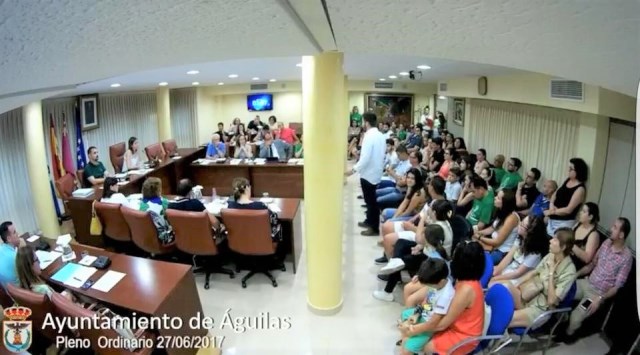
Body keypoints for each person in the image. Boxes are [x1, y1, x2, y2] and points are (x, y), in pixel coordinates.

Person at [559, 217, 633, 343]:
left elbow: (617, 287)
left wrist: (599, 299)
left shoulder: (626, 258)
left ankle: (568, 335)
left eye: (615, 227)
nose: (611, 229)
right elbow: (592, 265)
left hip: (596, 294)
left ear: (621, 234)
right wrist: (575, 275)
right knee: (562, 289)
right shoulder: (606, 244)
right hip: (586, 282)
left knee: (576, 317)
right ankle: (558, 323)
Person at [422, 241, 486, 355]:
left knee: (427, 347)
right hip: (456, 324)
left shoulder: (466, 289)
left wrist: (416, 328)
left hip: (464, 336)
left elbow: (442, 325)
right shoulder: (464, 279)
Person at [507, 228, 576, 328]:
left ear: (563, 247)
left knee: (506, 318)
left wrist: (551, 272)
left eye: (555, 240)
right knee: (505, 288)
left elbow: (551, 301)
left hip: (541, 308)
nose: (550, 241)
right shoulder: (551, 255)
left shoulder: (569, 271)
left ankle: (501, 338)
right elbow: (534, 272)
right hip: (530, 293)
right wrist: (517, 286)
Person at [374, 224, 449, 302]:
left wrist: (419, 275)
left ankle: (387, 292)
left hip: (425, 268)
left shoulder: (435, 257)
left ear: (427, 238)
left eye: (423, 233)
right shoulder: (432, 246)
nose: (421, 234)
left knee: (399, 265)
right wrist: (420, 247)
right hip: (423, 259)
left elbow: (432, 271)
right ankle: (396, 260)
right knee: (401, 242)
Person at [396, 259, 455, 355]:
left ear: (441, 281)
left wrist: (412, 329)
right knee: (405, 314)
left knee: (406, 351)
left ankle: (409, 343)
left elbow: (433, 323)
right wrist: (417, 314)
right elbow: (427, 303)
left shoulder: (446, 296)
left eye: (429, 285)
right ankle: (406, 339)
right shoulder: (436, 284)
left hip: (429, 324)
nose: (428, 286)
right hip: (426, 314)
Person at [346, 113, 386, 236]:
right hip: (376, 171)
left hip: (368, 173)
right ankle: (369, 220)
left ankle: (374, 227)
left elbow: (366, 157)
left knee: (371, 202)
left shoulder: (369, 136)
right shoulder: (380, 135)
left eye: (363, 122)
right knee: (370, 201)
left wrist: (353, 170)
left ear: (366, 122)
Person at [490, 216, 549, 285]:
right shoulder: (520, 239)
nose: (519, 224)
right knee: (488, 271)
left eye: (522, 225)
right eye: (521, 222)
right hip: (510, 268)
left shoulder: (535, 254)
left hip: (517, 279)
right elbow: (508, 257)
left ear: (529, 232)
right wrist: (497, 271)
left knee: (492, 284)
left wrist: (496, 278)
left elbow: (517, 273)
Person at [473, 190, 520, 265]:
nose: (495, 198)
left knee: (478, 262)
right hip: (493, 245)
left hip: (501, 251)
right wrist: (477, 232)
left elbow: (497, 242)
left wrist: (479, 238)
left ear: (504, 203)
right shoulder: (501, 211)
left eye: (498, 198)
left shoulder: (511, 219)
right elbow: (492, 228)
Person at [227, 178, 282, 242]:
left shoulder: (230, 206)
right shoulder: (259, 206)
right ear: (247, 188)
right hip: (260, 242)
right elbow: (274, 220)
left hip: (239, 242)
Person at [546, 158, 588, 236]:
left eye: (570, 169)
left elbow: (568, 210)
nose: (568, 170)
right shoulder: (568, 180)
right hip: (552, 219)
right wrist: (551, 205)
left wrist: (552, 211)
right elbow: (555, 194)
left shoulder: (580, 189)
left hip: (564, 223)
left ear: (578, 171)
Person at [570, 202, 601, 272]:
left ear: (590, 217)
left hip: (576, 266)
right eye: (581, 210)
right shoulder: (578, 224)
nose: (580, 213)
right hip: (567, 258)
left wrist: (571, 244)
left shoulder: (593, 235)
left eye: (583, 211)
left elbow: (587, 258)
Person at [0, 221, 20, 287]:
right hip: (23, 293)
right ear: (8, 239)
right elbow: (34, 273)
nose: (17, 234)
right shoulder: (16, 257)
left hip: (8, 292)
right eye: (14, 232)